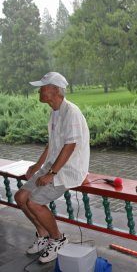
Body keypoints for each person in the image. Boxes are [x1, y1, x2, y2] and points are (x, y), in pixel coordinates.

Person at [14, 72, 90, 263]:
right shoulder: (55, 112)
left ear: (55, 90)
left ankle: (58, 239)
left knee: (34, 202)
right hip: (52, 165)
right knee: (20, 197)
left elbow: (70, 145)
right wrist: (37, 166)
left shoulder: (71, 112)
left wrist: (51, 173)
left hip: (68, 169)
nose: (39, 91)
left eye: (43, 87)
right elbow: (52, 145)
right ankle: (43, 234)